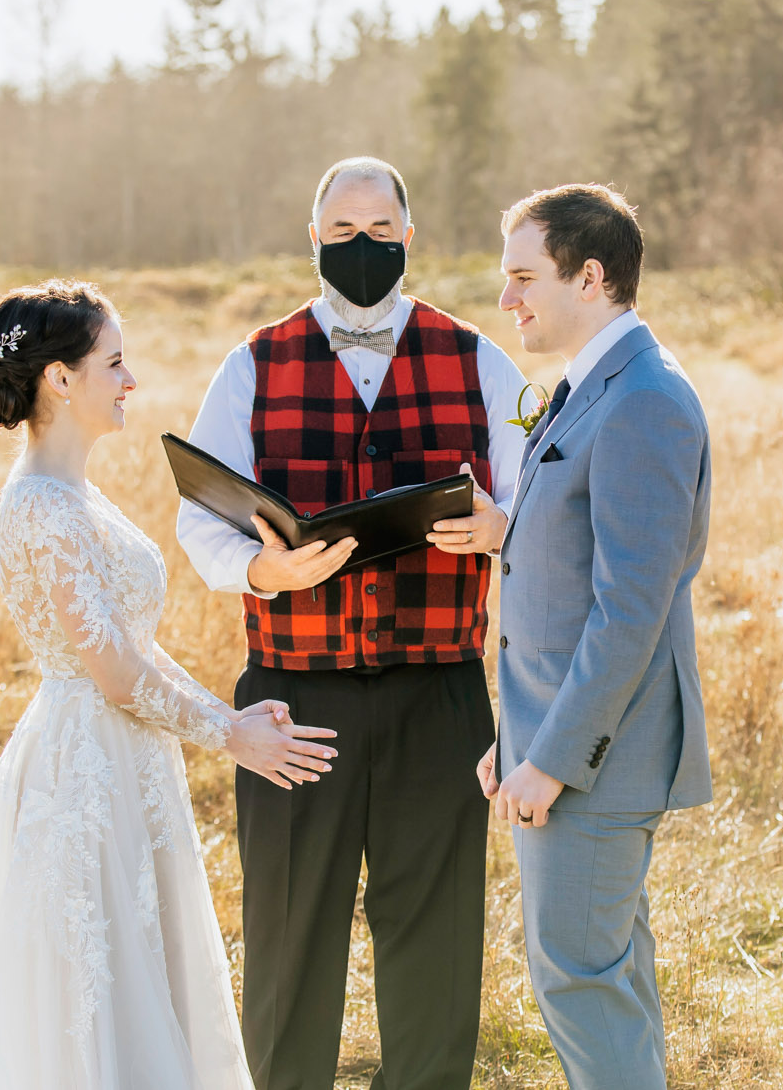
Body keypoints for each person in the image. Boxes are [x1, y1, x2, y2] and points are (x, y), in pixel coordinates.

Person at [0, 279, 337, 1090]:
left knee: (150, 980)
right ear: (61, 379)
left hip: (123, 760)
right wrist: (230, 735)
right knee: (99, 1001)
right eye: (115, 362)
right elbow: (112, 672)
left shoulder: (77, 493)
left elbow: (129, 647)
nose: (130, 381)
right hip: (84, 772)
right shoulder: (43, 505)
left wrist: (230, 713)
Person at [176, 158, 532, 1090]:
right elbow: (197, 513)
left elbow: (540, 501)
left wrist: (499, 530)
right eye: (342, 232)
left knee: (437, 937)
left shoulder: (479, 359)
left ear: (409, 239)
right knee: (291, 938)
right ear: (314, 238)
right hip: (299, 697)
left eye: (380, 231)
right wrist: (261, 567)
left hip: (439, 693)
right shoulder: (254, 362)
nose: (361, 247)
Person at [477, 185, 713, 1090]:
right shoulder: (589, 385)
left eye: (524, 276)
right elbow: (576, 564)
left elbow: (630, 609)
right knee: (603, 976)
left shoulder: (645, 397)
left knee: (579, 978)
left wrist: (553, 757)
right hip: (554, 741)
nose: (508, 300)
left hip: (595, 760)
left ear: (591, 275)